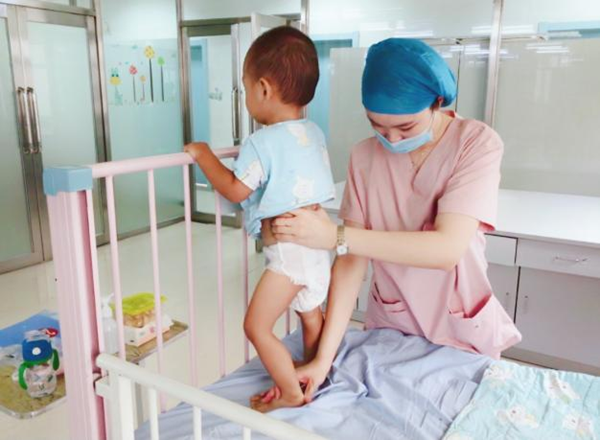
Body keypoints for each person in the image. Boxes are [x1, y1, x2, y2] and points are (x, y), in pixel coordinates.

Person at [267, 38, 522, 403]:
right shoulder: (364, 156)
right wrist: (322, 360)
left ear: (436, 102)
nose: (391, 139)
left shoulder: (476, 143)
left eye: (406, 127)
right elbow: (350, 262)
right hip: (393, 322)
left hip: (460, 324)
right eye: (377, 126)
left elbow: (446, 249)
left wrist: (335, 235)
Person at [184, 26, 335, 412]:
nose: (247, 96)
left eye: (246, 87)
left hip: (290, 252)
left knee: (255, 325)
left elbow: (236, 190)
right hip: (318, 245)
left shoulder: (260, 142)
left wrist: (204, 155)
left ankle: (290, 392)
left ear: (263, 89)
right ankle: (314, 374)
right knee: (311, 318)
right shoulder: (313, 132)